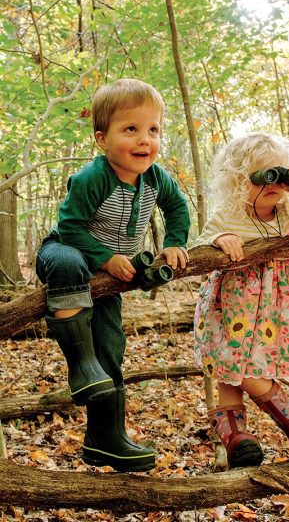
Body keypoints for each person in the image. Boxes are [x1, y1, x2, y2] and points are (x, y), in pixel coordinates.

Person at [35, 78, 190, 472]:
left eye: (153, 130)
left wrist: (173, 242)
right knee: (69, 263)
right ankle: (80, 366)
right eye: (131, 129)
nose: (145, 141)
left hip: (107, 278)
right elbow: (69, 228)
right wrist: (105, 258)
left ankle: (106, 438)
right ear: (103, 139)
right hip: (66, 254)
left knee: (111, 346)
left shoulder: (156, 178)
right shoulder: (93, 178)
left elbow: (179, 209)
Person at [193, 132, 289, 469]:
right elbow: (197, 249)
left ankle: (238, 435)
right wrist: (219, 237)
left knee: (243, 365)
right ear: (240, 180)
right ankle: (285, 422)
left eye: (280, 173)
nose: (273, 184)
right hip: (233, 306)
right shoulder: (229, 214)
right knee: (232, 360)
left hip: (278, 308)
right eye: (263, 176)